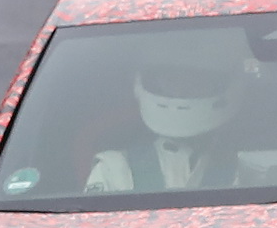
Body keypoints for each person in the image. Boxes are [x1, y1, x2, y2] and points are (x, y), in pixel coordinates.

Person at [83, 62, 243, 193]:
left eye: (196, 78)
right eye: (171, 78)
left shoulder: (249, 167)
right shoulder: (115, 169)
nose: (180, 91)